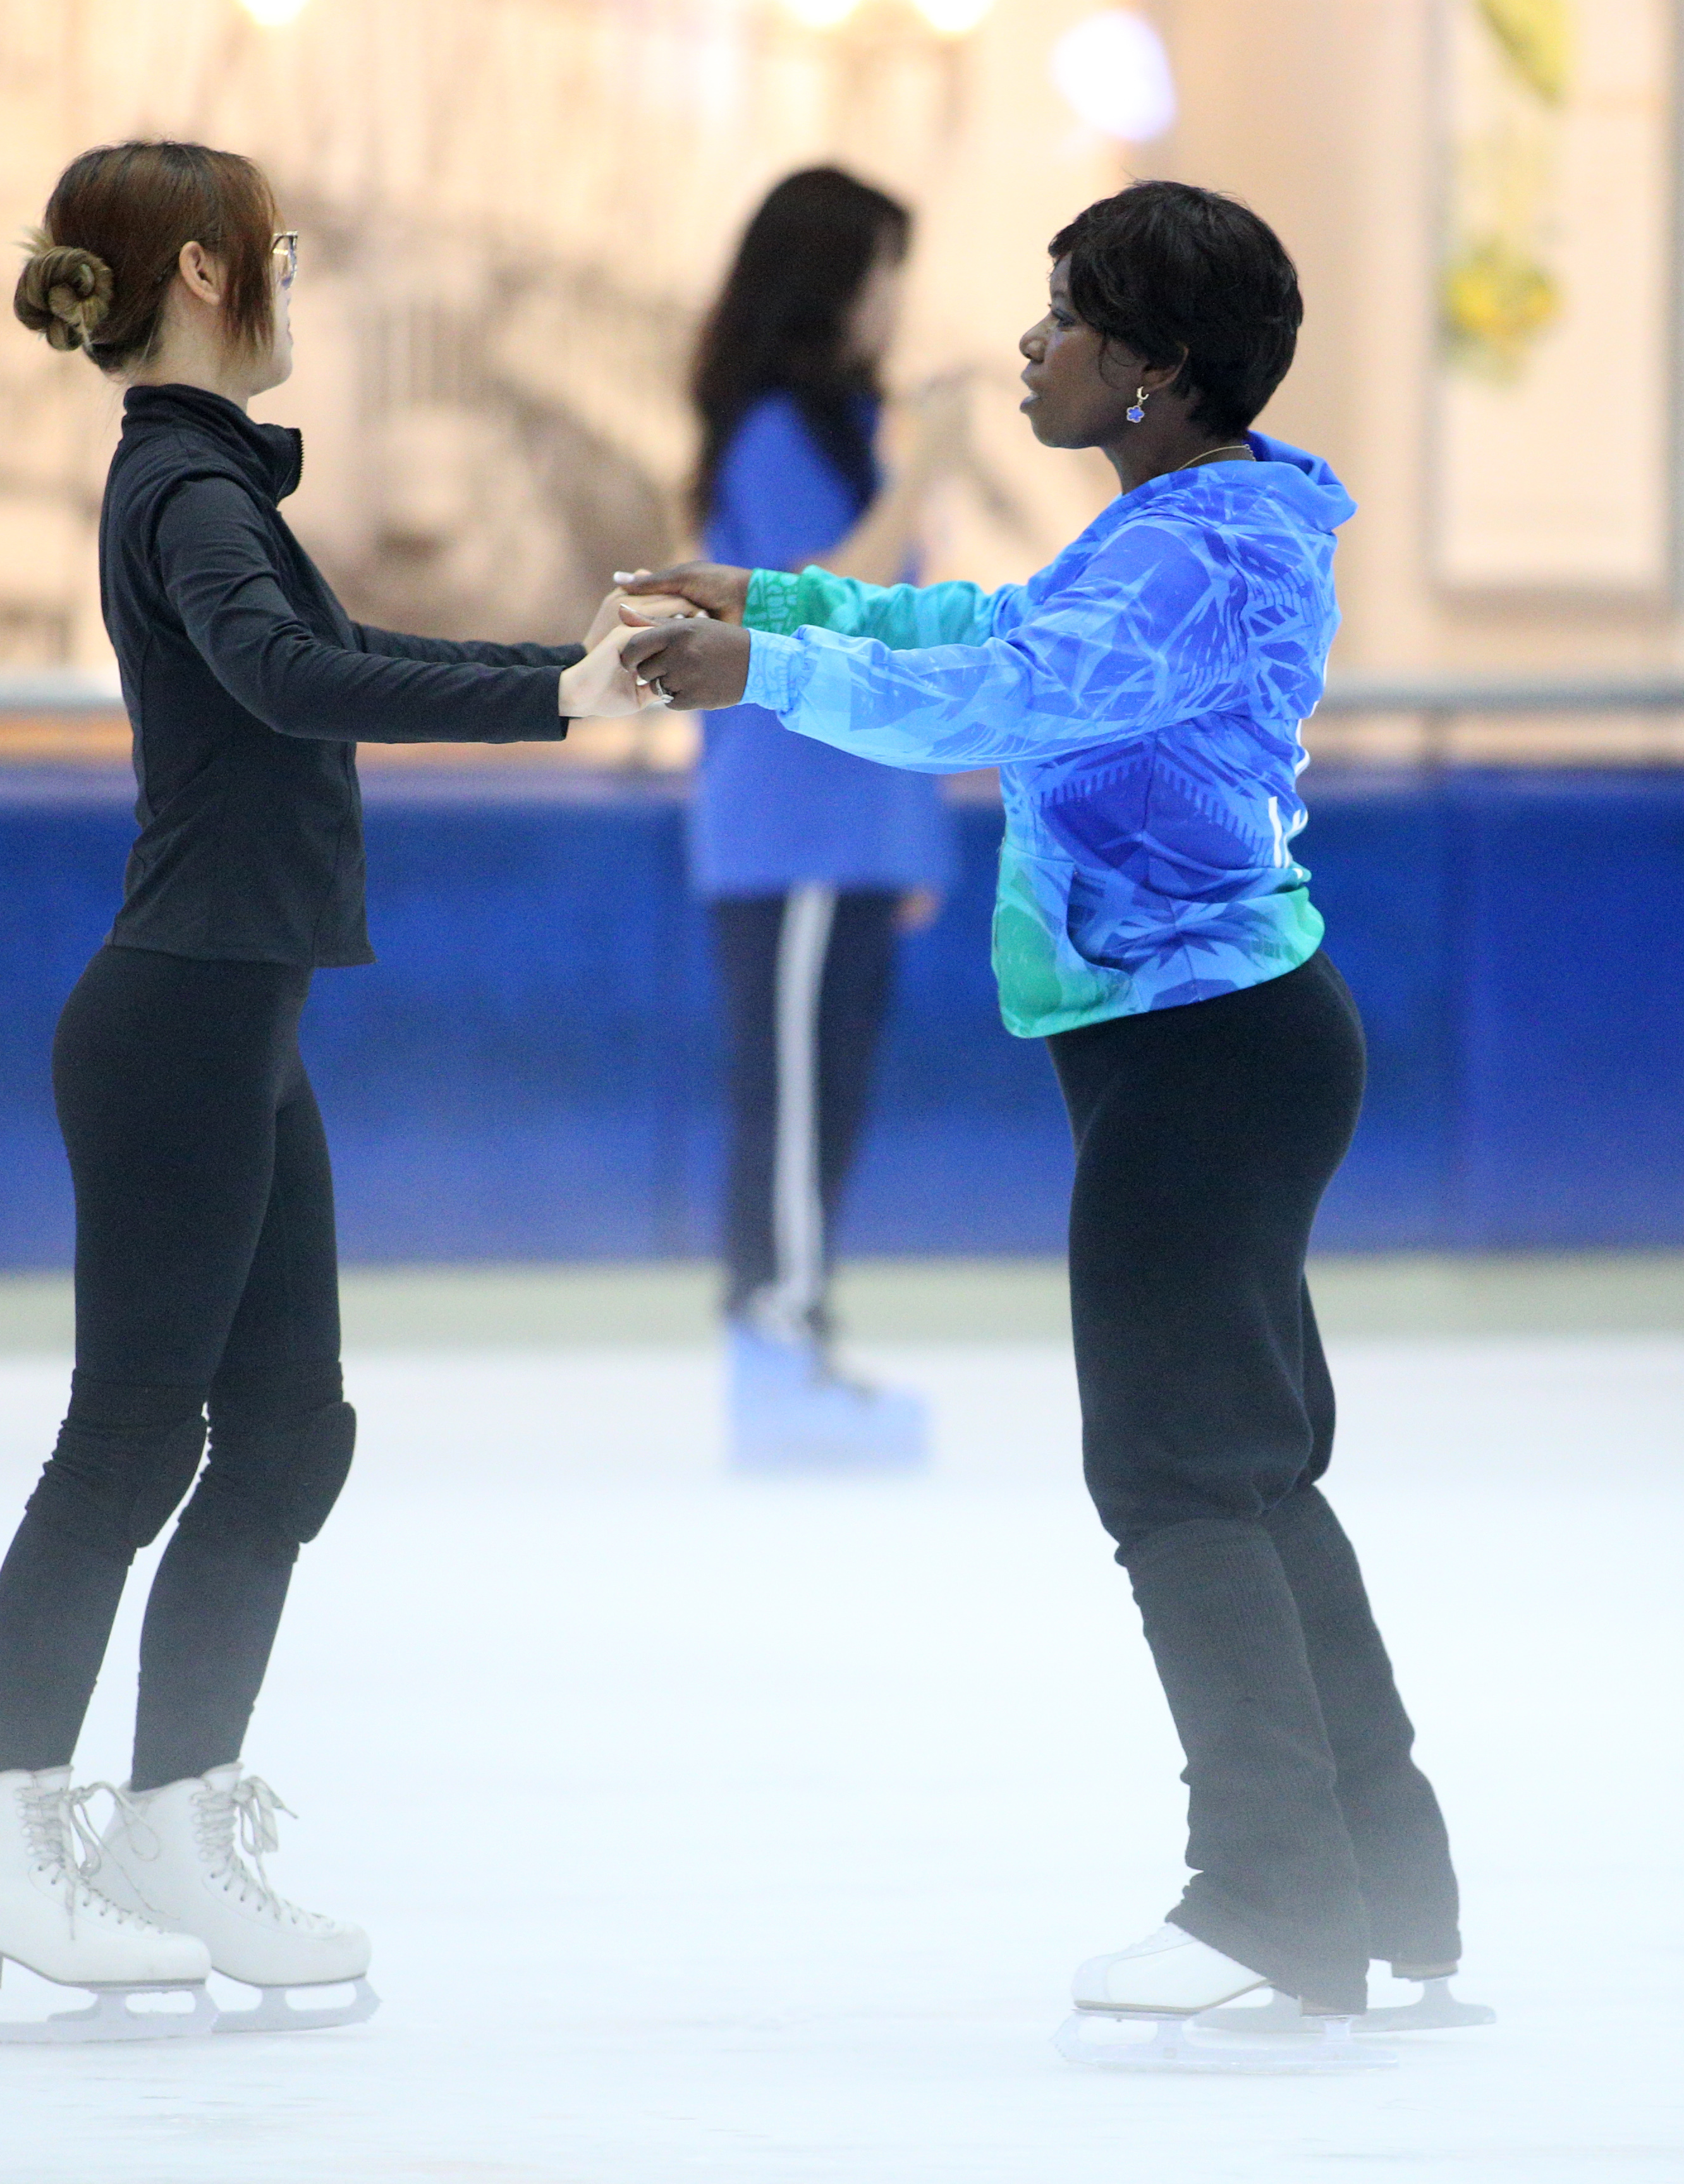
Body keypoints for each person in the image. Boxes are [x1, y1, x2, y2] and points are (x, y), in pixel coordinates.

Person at [617, 182, 1472, 2051]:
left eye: (1068, 315)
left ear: (1156, 368)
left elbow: (998, 694)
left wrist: (764, 671)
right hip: (1209, 1044)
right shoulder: (1175, 525)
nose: (1030, 344)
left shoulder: (1196, 554)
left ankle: (1271, 1896)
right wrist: (778, 596)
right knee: (1244, 1466)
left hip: (1205, 1051)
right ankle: (1384, 1883)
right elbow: (987, 621)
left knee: (1179, 1471)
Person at [0, 140, 645, 2042]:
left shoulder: (200, 479)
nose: (300, 281)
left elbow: (322, 659)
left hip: (232, 1019)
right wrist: (561, 692)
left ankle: (165, 1830)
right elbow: (295, 677)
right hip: (181, 1026)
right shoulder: (188, 487)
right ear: (220, 276)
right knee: (133, 1444)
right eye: (284, 255)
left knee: (287, 1438)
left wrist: (564, 675)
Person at [686, 169, 968, 1470]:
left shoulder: (851, 428)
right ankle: (776, 1348)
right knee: (791, 1101)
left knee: (831, 1100)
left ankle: (794, 1338)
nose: (894, 301)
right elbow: (822, 599)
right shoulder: (773, 435)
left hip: (852, 833)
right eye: (880, 270)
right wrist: (931, 475)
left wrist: (912, 832)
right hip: (790, 834)